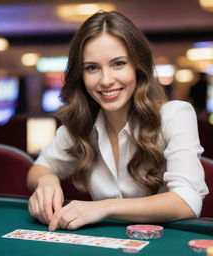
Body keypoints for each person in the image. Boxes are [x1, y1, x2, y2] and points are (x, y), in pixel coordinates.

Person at [27, 11, 208, 231]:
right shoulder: (80, 125)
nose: (106, 80)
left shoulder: (175, 115)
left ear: (138, 66)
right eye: (92, 67)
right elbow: (40, 168)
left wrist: (103, 208)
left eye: (118, 64)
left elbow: (187, 202)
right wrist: (47, 181)